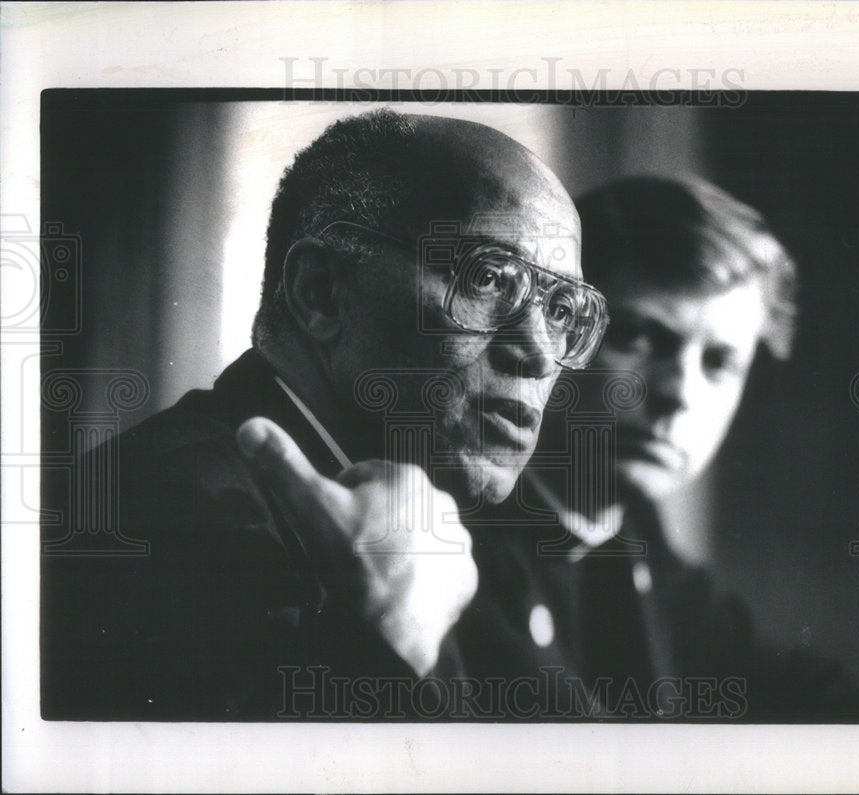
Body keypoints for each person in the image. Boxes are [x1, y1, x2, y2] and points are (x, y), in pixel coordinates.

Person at [40, 109, 610, 719]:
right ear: (321, 292)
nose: (538, 353)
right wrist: (392, 642)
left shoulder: (453, 541)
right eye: (490, 278)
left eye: (560, 311)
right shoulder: (162, 514)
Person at [458, 176, 859, 720]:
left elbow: (781, 688)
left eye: (719, 363)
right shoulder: (444, 540)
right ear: (550, 330)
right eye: (636, 336)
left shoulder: (639, 542)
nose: (679, 394)